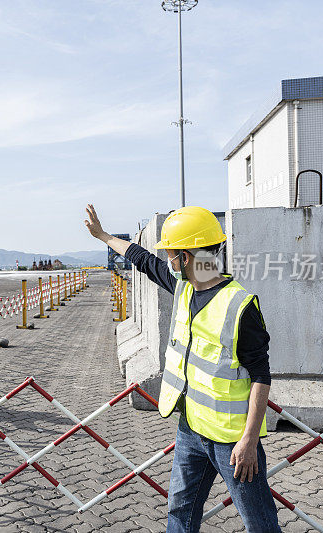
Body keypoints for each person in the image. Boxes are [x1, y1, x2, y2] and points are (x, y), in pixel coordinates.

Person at [85, 204, 281, 533]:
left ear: (186, 258)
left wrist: (248, 440)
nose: (168, 262)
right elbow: (143, 260)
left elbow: (261, 376)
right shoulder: (184, 288)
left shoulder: (239, 305)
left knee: (259, 524)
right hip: (190, 428)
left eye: (172, 255)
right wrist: (103, 236)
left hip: (231, 442)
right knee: (180, 510)